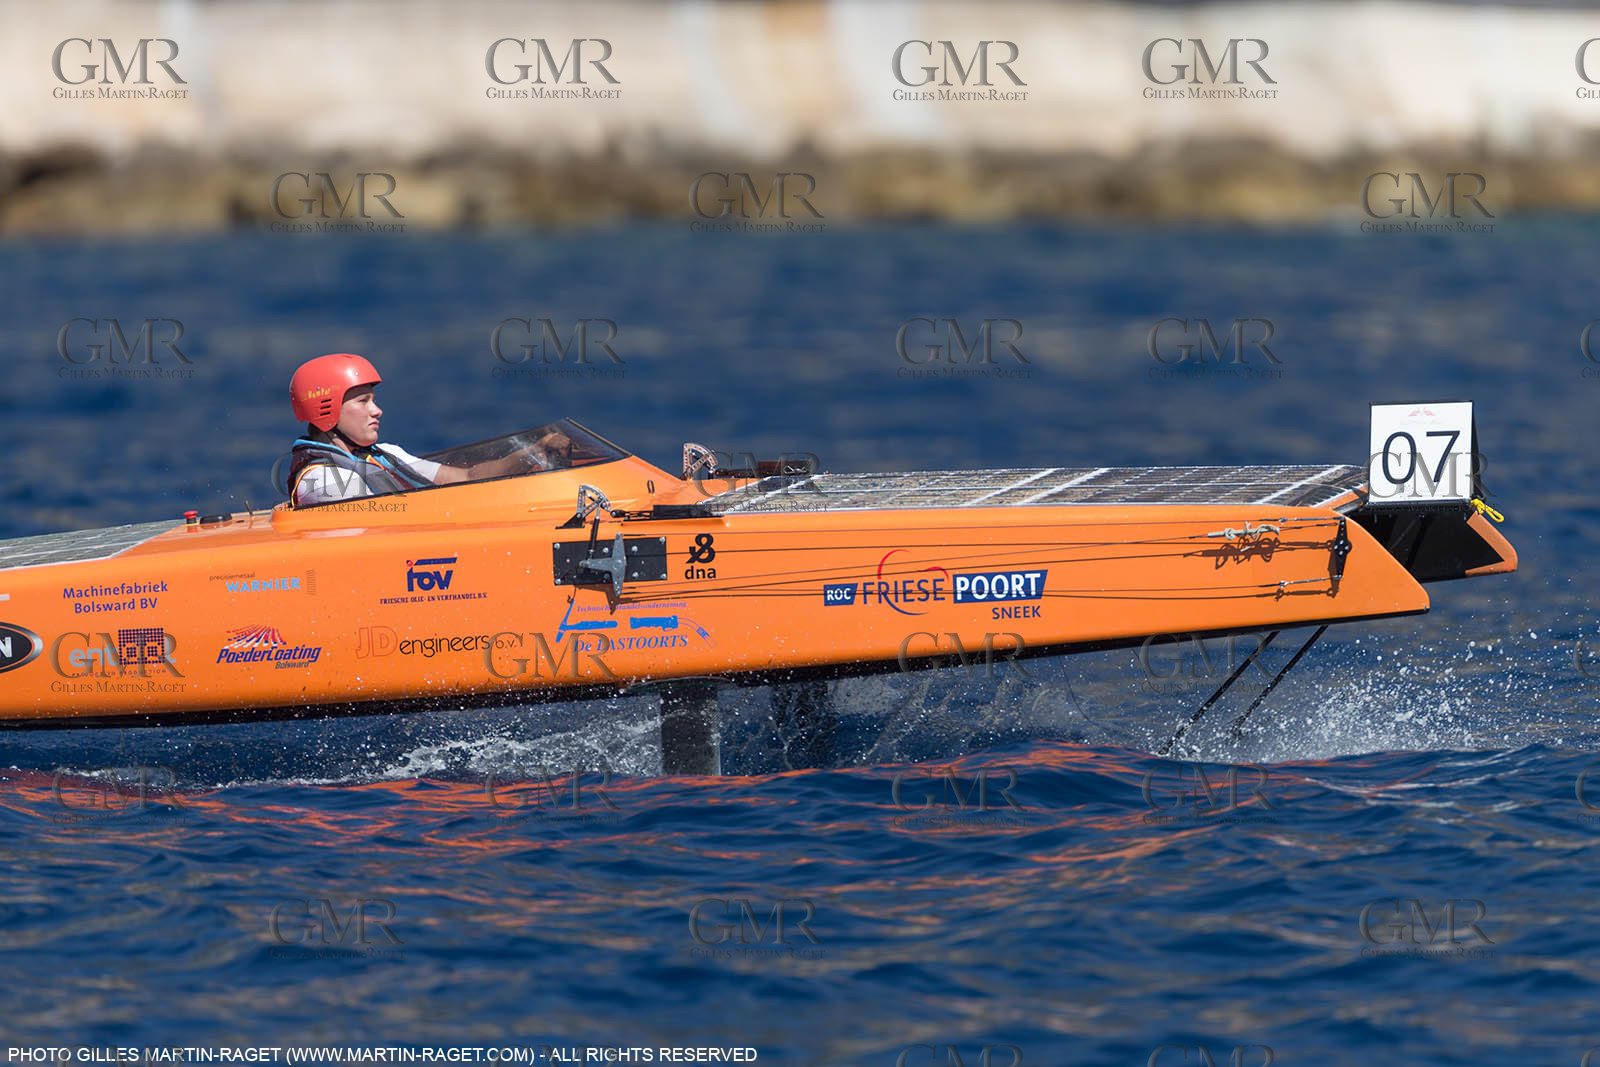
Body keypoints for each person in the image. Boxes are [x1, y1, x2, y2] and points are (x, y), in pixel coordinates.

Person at [286, 353, 567, 506]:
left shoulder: (383, 455)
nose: (377, 410)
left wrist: (532, 452)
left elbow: (468, 476)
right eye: (363, 401)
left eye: (374, 400)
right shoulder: (325, 482)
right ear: (327, 411)